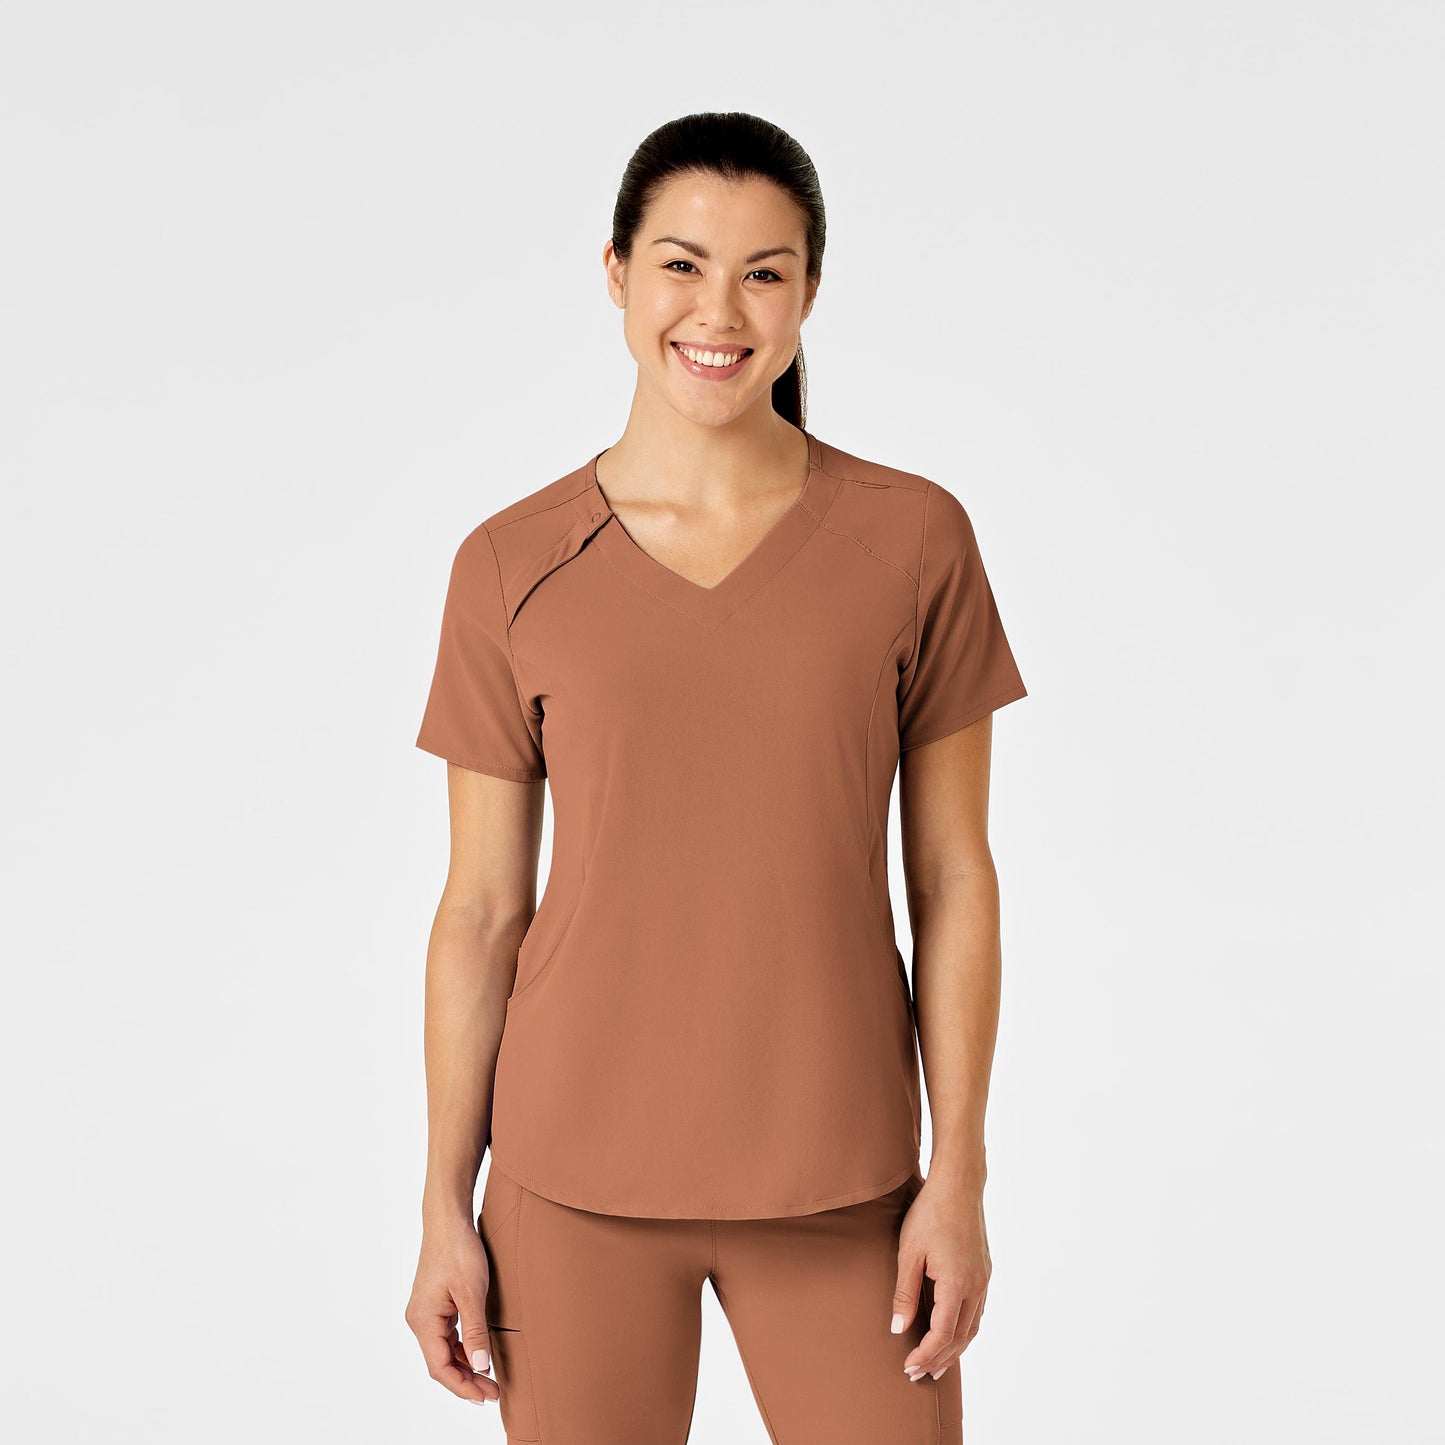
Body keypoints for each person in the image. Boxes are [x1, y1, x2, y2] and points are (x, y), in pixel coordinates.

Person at [404, 112, 1028, 1445]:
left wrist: (960, 1172)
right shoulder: (509, 564)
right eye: (682, 265)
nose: (719, 311)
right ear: (616, 272)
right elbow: (480, 910)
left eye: (763, 272)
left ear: (809, 291)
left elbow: (953, 876)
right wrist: (444, 1205)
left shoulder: (913, 540)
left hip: (846, 1179)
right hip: (569, 1179)